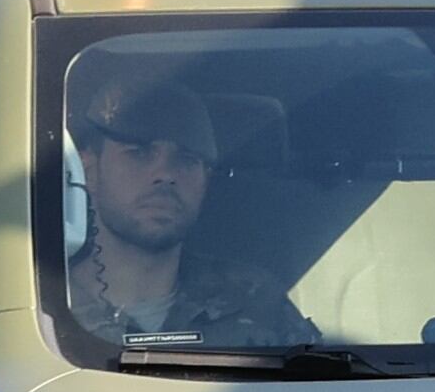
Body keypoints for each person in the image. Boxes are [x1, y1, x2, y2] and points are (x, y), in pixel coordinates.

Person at [63, 55, 316, 348]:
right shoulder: (38, 309)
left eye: (187, 159)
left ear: (205, 180)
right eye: (139, 152)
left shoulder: (256, 300)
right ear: (88, 170)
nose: (166, 174)